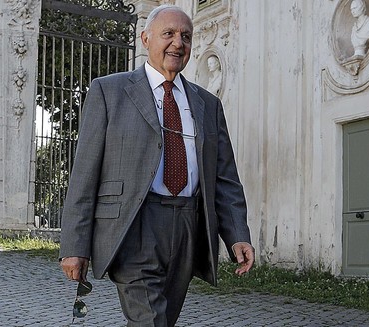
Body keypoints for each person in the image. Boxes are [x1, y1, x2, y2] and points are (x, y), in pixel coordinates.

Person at [59, 4, 255, 327]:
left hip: (187, 230)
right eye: (169, 34)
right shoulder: (109, 92)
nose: (178, 43)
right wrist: (74, 245)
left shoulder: (208, 104)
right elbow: (84, 175)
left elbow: (224, 178)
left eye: (186, 36)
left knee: (158, 320)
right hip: (135, 225)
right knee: (151, 321)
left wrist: (237, 235)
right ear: (145, 38)